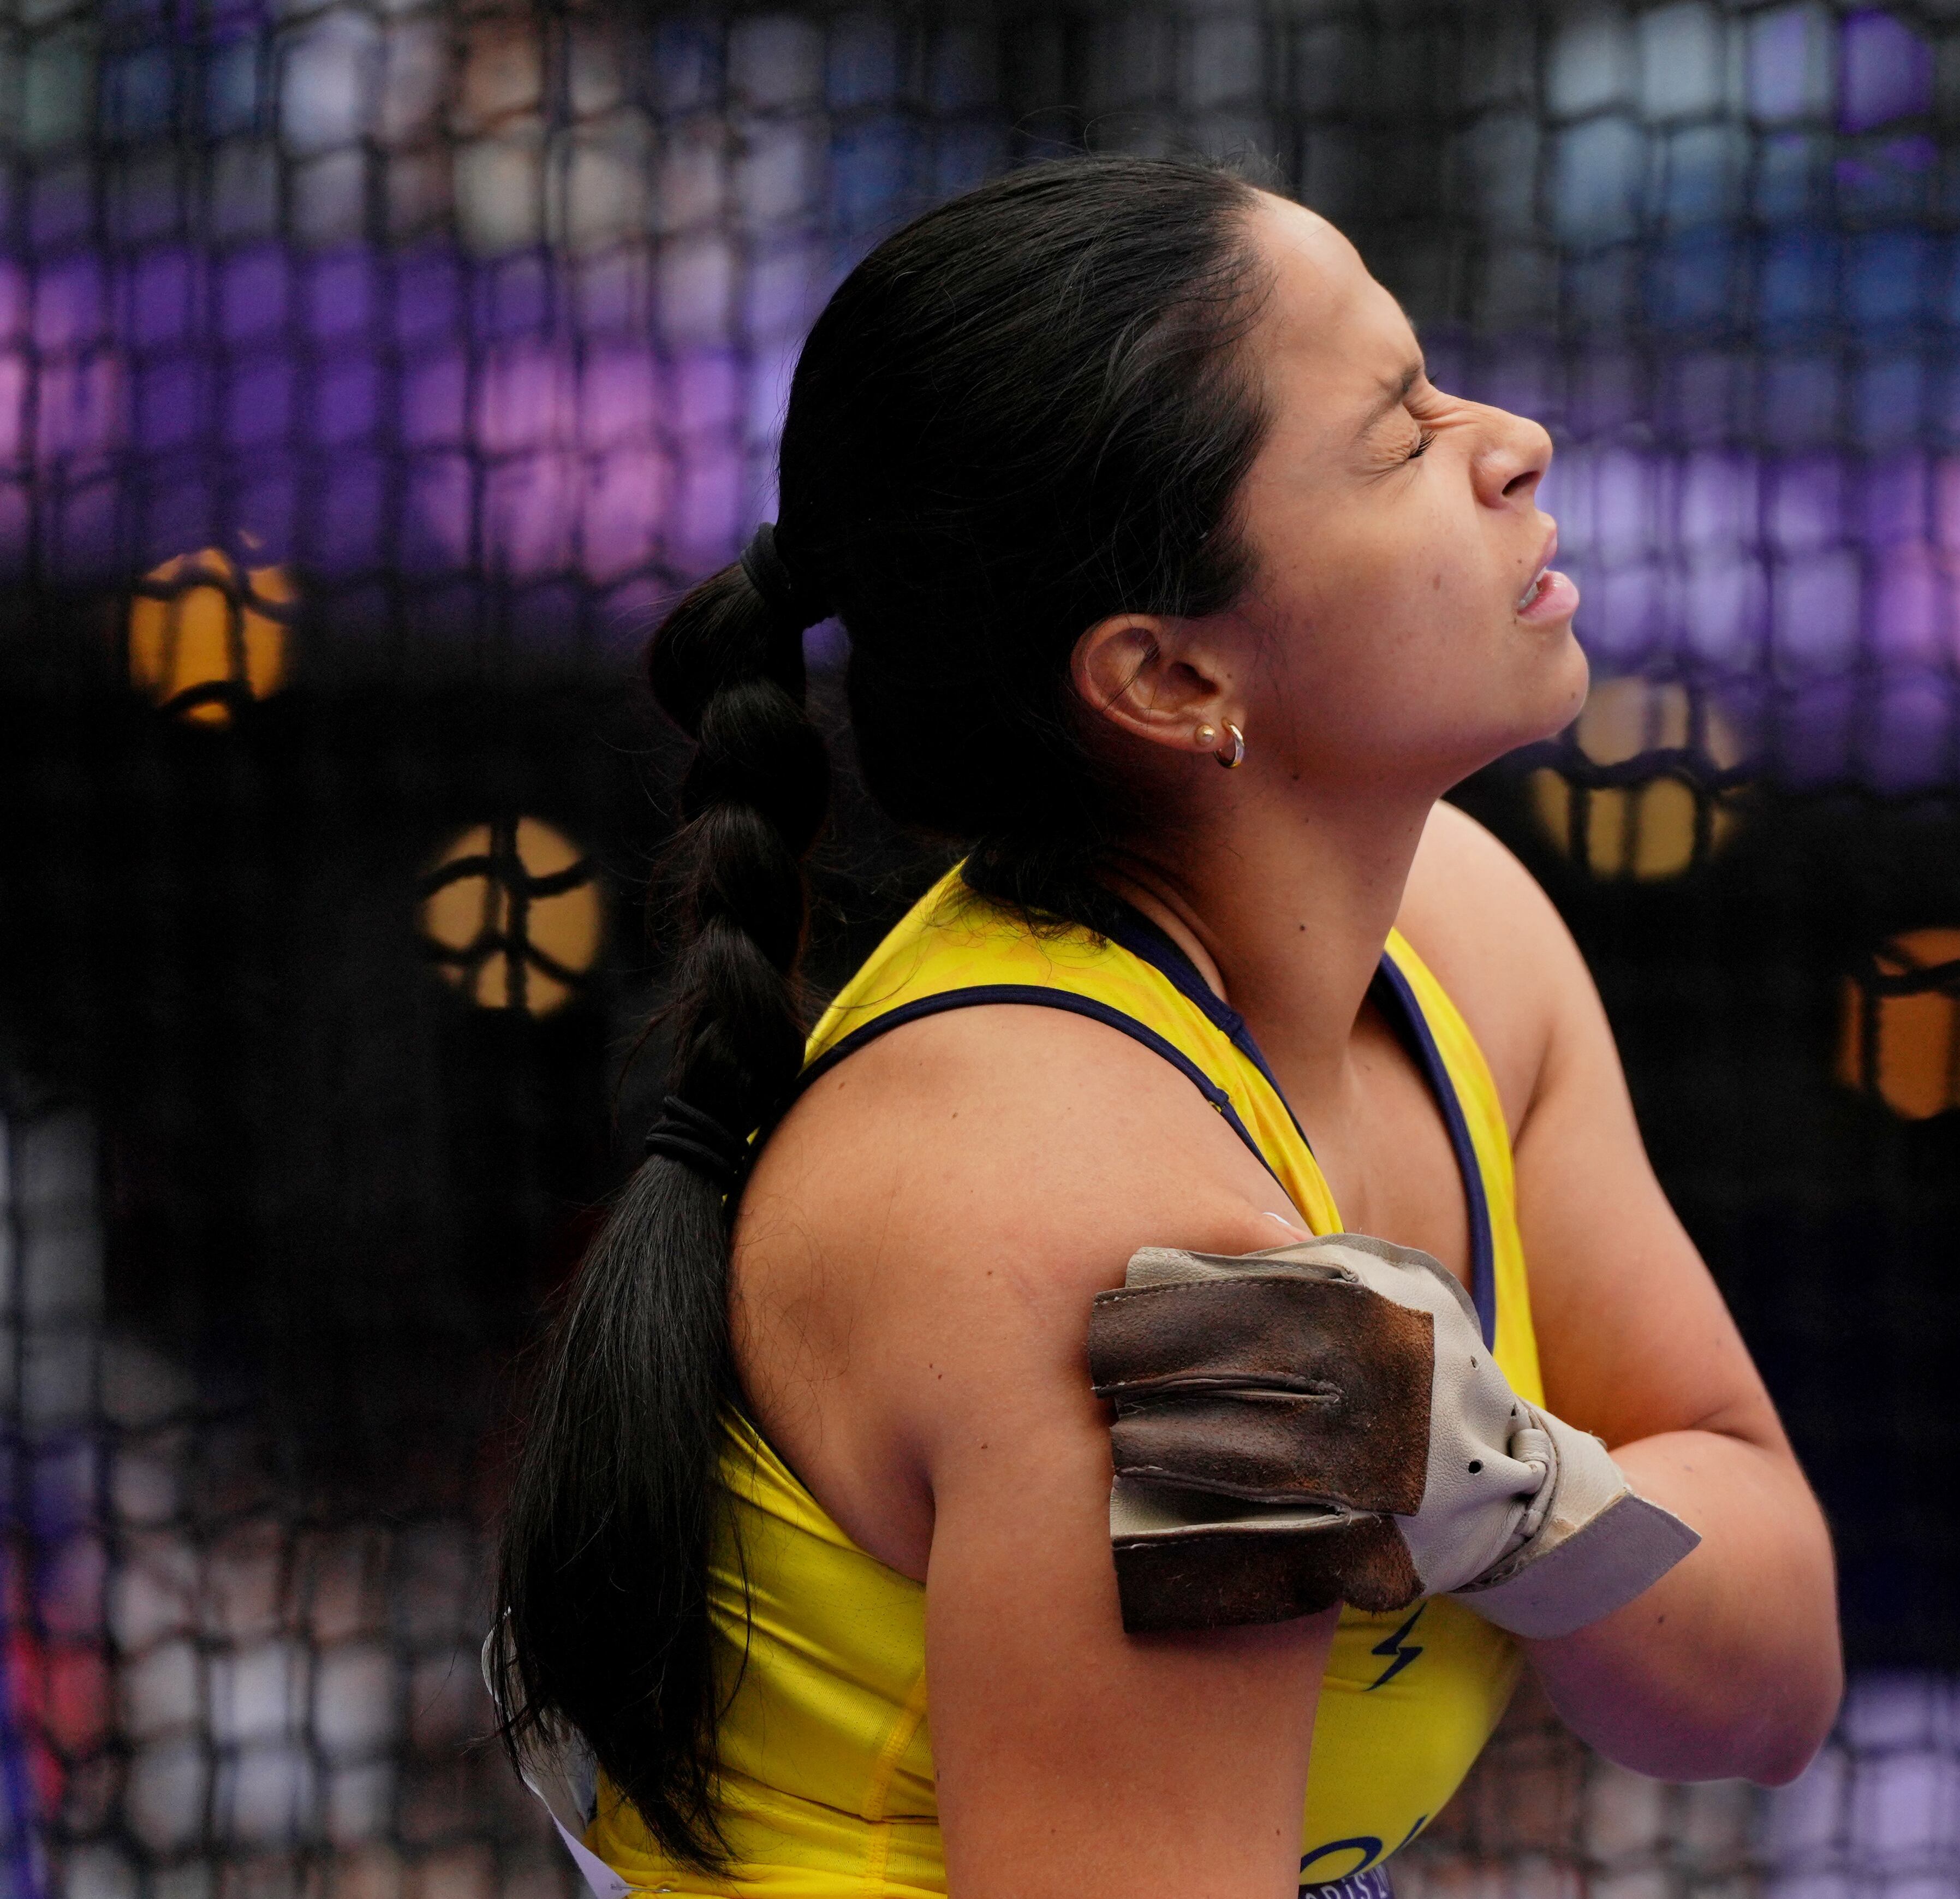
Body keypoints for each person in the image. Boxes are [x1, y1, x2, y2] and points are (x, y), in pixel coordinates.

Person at [492, 154, 1842, 1899]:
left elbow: (1771, 1675)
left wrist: (1514, 1498)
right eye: (1401, 436)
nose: (1513, 440)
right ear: (1169, 679)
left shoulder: (1464, 936)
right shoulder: (1110, 1245)